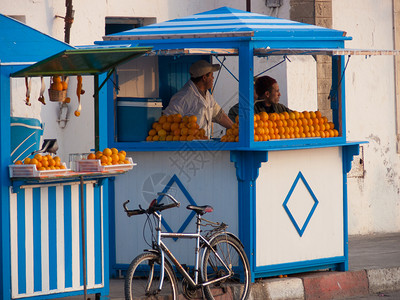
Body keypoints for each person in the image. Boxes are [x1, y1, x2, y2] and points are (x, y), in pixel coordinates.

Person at [163, 60, 233, 137]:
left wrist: (235, 129)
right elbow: (168, 122)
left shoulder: (207, 94)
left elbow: (218, 115)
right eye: (211, 75)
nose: (213, 78)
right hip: (189, 146)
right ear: (204, 78)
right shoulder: (183, 98)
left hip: (204, 143)